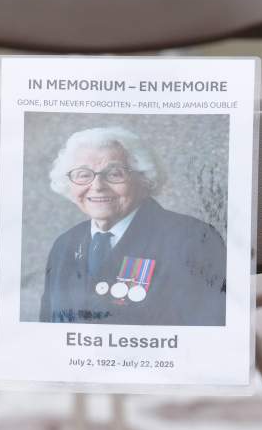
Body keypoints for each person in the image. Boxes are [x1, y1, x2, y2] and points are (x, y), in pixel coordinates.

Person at [38, 126, 226, 326]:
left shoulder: (193, 240)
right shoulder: (64, 245)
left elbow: (207, 338)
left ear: (144, 179)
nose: (98, 186)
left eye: (115, 173)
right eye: (83, 175)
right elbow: (48, 333)